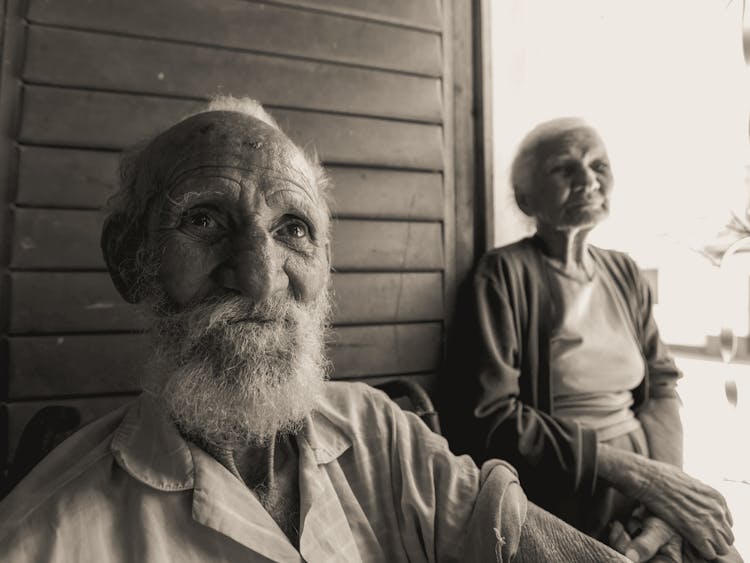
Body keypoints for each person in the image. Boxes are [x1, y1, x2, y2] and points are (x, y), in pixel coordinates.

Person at [0, 98, 630, 562]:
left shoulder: (376, 430)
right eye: (203, 220)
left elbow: (513, 533)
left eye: (293, 229)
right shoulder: (45, 536)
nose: (259, 278)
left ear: (326, 264)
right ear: (129, 261)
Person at [470, 117, 738, 562]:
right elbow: (492, 419)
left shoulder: (625, 272)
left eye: (599, 165)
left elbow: (661, 388)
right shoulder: (502, 275)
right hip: (565, 493)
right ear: (526, 197)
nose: (588, 180)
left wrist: (666, 497)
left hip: (647, 487)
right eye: (565, 168)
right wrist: (639, 478)